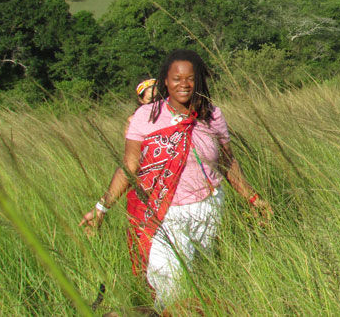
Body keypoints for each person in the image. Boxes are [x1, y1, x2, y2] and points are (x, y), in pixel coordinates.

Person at [80, 49, 272, 308]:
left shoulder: (212, 115)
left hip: (209, 209)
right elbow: (129, 166)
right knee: (170, 283)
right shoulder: (146, 117)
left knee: (199, 282)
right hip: (164, 213)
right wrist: (102, 208)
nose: (184, 84)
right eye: (176, 78)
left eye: (190, 78)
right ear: (165, 82)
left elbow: (227, 163)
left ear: (199, 81)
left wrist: (253, 198)